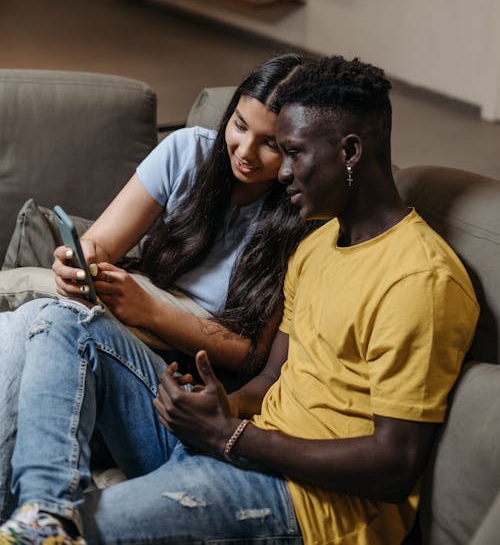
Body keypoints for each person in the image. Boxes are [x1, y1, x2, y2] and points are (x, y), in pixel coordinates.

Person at [0, 56, 479, 545]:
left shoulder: (420, 280)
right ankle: (45, 511)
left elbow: (394, 466)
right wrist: (215, 408)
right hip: (233, 446)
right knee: (58, 320)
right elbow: (271, 378)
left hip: (305, 506)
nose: (283, 173)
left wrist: (230, 435)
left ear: (350, 151)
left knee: (77, 530)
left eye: (290, 152)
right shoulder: (318, 246)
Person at [0, 53, 317, 528]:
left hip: (178, 375)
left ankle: (44, 517)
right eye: (239, 125)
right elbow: (102, 242)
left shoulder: (302, 215)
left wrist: (150, 311)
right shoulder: (187, 151)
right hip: (121, 332)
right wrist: (77, 260)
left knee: (47, 321)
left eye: (269, 143)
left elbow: (253, 356)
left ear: (296, 147)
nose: (246, 151)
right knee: (34, 326)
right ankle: (40, 521)